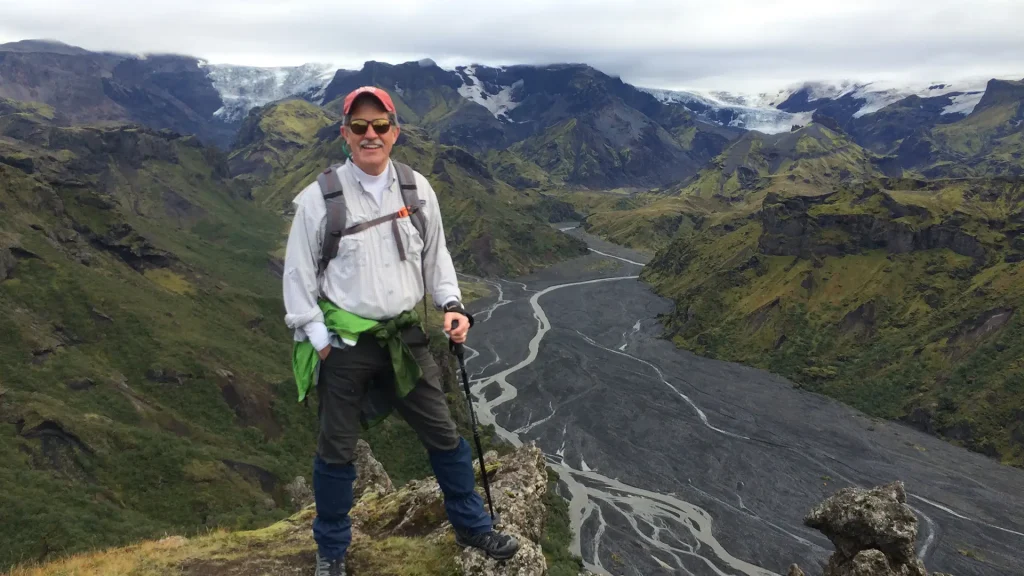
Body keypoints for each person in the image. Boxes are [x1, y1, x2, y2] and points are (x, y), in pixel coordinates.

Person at [282, 86, 519, 576]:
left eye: (380, 126)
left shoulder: (416, 188)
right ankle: (331, 552)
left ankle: (472, 526)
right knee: (336, 451)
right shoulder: (319, 198)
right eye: (360, 127)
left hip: (405, 339)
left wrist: (452, 305)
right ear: (345, 133)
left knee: (445, 437)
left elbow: (437, 257)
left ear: (395, 131)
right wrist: (320, 341)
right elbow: (298, 276)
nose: (371, 135)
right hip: (345, 346)